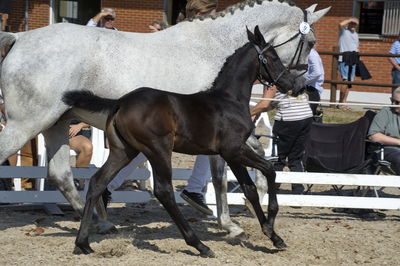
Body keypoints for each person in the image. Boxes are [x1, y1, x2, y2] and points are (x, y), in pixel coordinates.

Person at [179, 0, 218, 216]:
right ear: (197, 14)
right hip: (185, 99)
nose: (215, 17)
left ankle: (108, 187)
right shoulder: (189, 35)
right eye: (210, 13)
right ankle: (194, 189)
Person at [250, 86, 313, 193]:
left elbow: (264, 104)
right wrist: (259, 110)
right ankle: (298, 189)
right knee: (296, 157)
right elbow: (271, 104)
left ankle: (273, 187)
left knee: (279, 157)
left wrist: (248, 113)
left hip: (288, 120)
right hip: (306, 116)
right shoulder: (292, 77)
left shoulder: (272, 81)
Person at [368, 87, 400, 175]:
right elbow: (374, 136)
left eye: (397, 102)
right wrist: (398, 142)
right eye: (392, 100)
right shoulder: (386, 112)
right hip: (388, 149)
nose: (393, 104)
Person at [338, 17, 359, 109]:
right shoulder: (344, 31)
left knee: (350, 83)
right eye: (352, 23)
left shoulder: (356, 34)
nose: (353, 25)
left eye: (355, 24)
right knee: (345, 80)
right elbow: (340, 24)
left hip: (353, 59)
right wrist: (350, 19)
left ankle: (344, 103)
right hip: (344, 59)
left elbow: (357, 47)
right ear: (349, 23)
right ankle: (340, 103)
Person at [305, 47, 325, 117]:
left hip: (311, 90)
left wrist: (304, 82)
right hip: (310, 89)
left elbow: (317, 72)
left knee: (308, 118)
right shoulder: (310, 53)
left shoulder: (311, 53)